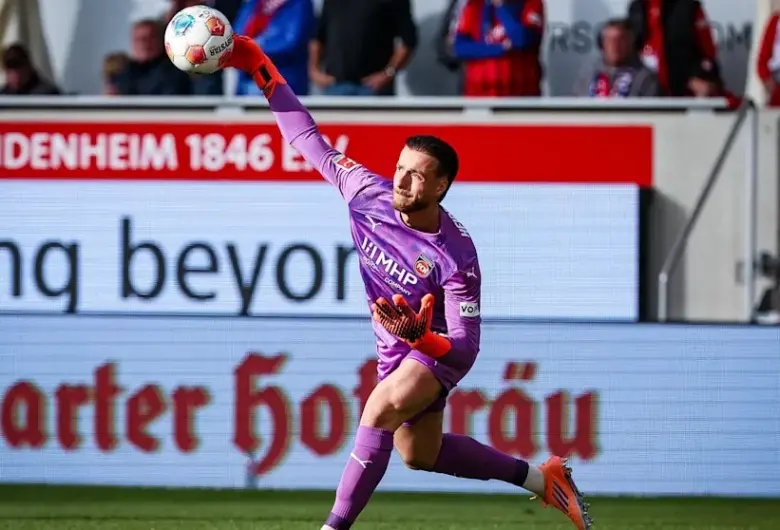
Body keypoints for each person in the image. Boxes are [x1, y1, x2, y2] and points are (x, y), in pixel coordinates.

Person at [222, 34, 591, 530]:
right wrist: (258, 65)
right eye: (399, 168)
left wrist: (424, 339)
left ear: (440, 186)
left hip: (434, 354)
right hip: (395, 349)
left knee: (377, 411)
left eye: (416, 175)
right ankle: (542, 480)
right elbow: (306, 137)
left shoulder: (457, 257)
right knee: (420, 454)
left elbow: (465, 348)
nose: (400, 180)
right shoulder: (365, 193)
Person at [574, 18, 659, 98]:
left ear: (631, 42)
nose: (614, 45)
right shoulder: (588, 74)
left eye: (620, 40)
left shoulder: (646, 78)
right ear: (602, 44)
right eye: (609, 40)